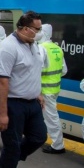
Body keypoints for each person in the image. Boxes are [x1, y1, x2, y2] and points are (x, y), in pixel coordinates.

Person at [0, 11, 48, 168]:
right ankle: (9, 160)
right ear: (25, 28)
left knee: (39, 137)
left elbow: (33, 71)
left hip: (32, 103)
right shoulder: (7, 48)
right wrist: (2, 114)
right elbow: (1, 82)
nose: (39, 33)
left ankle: (6, 161)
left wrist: (38, 93)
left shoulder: (33, 44)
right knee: (12, 145)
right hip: (12, 104)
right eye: (37, 29)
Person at [38, 24, 68, 154]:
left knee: (51, 117)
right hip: (55, 88)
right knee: (44, 116)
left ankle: (58, 146)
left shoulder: (41, 48)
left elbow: (36, 70)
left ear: (43, 33)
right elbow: (64, 70)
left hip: (45, 91)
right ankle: (38, 137)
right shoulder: (57, 48)